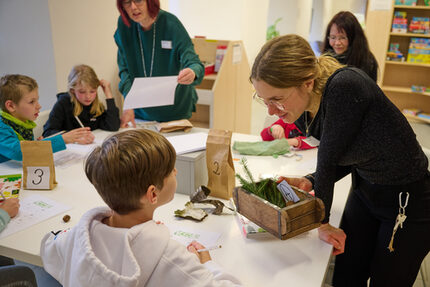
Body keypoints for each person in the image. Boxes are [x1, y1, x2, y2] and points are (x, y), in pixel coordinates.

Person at [251, 34, 430, 286]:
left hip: (406, 201)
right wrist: (310, 181)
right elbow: (346, 155)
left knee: (387, 280)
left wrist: (321, 222)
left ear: (307, 82)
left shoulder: (344, 86)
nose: (271, 112)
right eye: (264, 100)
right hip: (365, 189)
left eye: (276, 99)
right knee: (346, 275)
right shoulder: (304, 109)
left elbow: (328, 158)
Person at [40, 129, 242, 287]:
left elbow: (48, 245)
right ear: (152, 194)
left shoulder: (77, 237)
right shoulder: (172, 259)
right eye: (171, 171)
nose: (176, 171)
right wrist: (207, 264)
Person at [114, 0, 204, 126]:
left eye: (138, 1)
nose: (133, 7)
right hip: (141, 114)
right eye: (127, 2)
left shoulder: (171, 24)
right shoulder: (125, 25)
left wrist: (193, 72)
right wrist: (129, 104)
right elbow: (124, 71)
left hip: (175, 112)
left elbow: (194, 62)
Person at [0, 74, 93, 163]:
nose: (39, 106)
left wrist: (37, 144)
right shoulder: (2, 127)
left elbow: (26, 148)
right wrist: (62, 139)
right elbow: (19, 152)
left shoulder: (23, 122)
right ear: (11, 106)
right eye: (31, 102)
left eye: (37, 100)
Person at [43, 65, 120, 137]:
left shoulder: (96, 105)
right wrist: (72, 136)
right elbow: (48, 132)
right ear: (72, 90)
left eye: (92, 91)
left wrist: (109, 95)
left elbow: (113, 126)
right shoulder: (63, 103)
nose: (88, 96)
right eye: (82, 92)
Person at [322, 11, 378, 82]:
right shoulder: (327, 58)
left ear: (353, 38)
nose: (337, 43)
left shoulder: (367, 61)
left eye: (342, 38)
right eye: (333, 37)